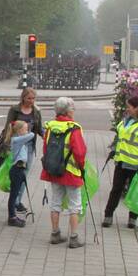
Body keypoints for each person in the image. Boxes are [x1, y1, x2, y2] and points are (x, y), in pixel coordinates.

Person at [103, 96, 138, 229]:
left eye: (129, 107)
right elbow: (120, 138)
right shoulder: (125, 121)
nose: (127, 109)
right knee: (116, 190)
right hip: (121, 162)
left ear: (137, 108)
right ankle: (108, 216)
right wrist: (114, 150)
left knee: (135, 193)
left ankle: (132, 219)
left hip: (135, 165)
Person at [41, 97, 87, 249]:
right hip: (71, 172)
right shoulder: (74, 128)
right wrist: (82, 168)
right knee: (75, 205)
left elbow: (45, 149)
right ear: (68, 111)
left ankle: (55, 234)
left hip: (54, 171)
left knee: (56, 202)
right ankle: (73, 238)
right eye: (73, 109)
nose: (74, 111)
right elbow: (80, 152)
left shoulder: (50, 126)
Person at [4, 87, 43, 214]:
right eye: (29, 98)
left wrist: (47, 136)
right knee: (17, 174)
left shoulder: (36, 111)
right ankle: (14, 200)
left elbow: (39, 128)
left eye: (33, 98)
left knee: (24, 175)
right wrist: (6, 145)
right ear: (23, 97)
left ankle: (17, 201)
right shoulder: (15, 110)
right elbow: (8, 127)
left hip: (29, 147)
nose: (31, 101)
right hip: (16, 146)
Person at [4, 120, 35, 228]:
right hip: (16, 170)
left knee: (15, 194)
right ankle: (12, 217)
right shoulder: (16, 140)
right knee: (14, 195)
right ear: (19, 130)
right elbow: (32, 135)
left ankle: (13, 216)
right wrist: (30, 130)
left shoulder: (19, 140)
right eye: (25, 129)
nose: (27, 131)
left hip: (19, 169)